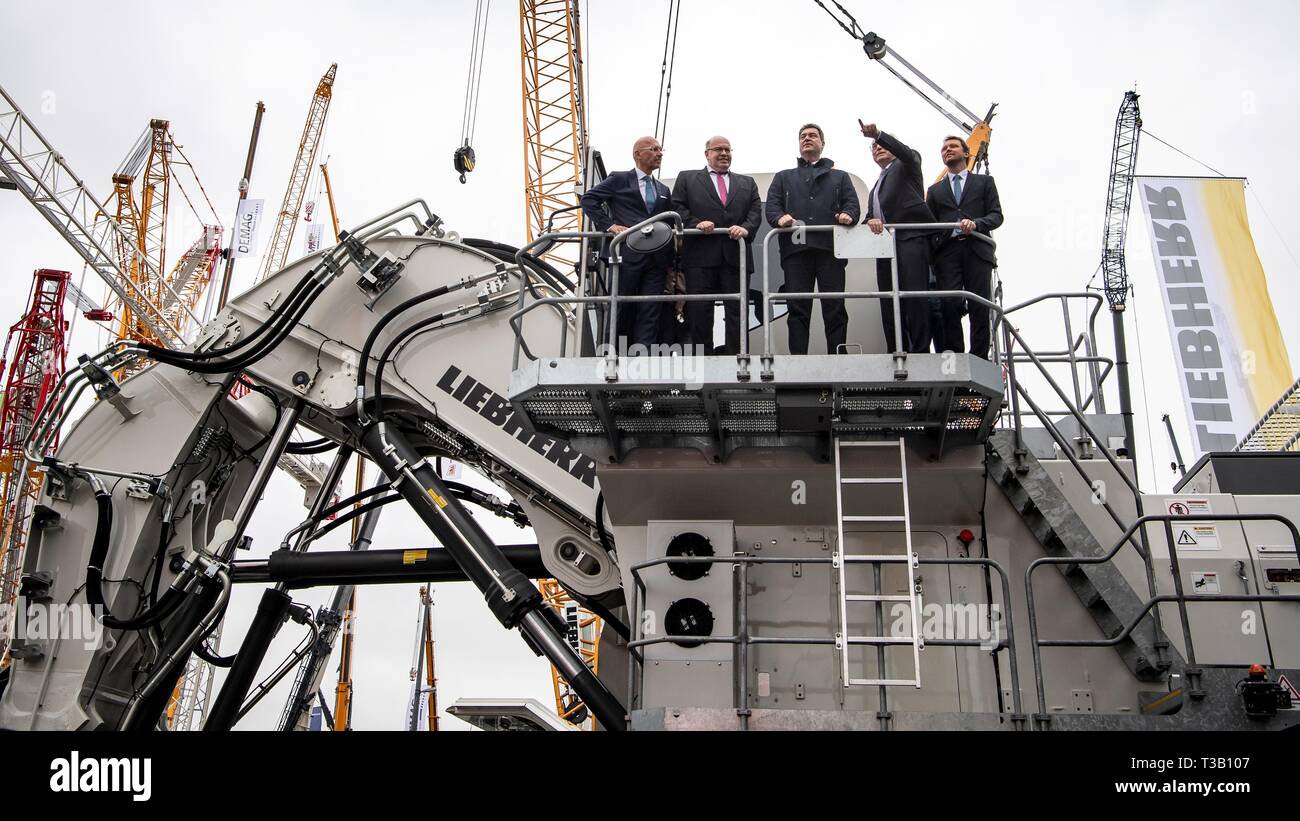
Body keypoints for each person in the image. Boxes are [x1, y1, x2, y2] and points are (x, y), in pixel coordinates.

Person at [765, 124, 860, 355]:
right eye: (803, 136)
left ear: (822, 143)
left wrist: (849, 215)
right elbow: (772, 208)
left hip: (830, 251)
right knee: (797, 308)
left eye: (813, 136)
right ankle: (798, 359)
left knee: (835, 307)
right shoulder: (783, 177)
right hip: (796, 252)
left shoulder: (840, 177)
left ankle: (838, 357)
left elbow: (853, 206)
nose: (807, 139)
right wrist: (780, 218)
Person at [579, 136, 676, 352]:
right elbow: (588, 200)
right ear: (638, 154)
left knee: (650, 308)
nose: (660, 153)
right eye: (654, 149)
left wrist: (670, 262)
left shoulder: (663, 190)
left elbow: (668, 223)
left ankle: (643, 358)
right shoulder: (619, 179)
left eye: (661, 149)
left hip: (656, 258)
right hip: (625, 255)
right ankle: (612, 355)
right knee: (620, 305)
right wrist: (610, 225)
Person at [670, 135, 762, 354]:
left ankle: (738, 360)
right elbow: (677, 208)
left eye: (728, 150)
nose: (724, 153)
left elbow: (755, 210)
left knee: (737, 311)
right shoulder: (687, 178)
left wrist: (746, 228)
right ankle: (703, 360)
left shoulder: (747, 183)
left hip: (735, 257)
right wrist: (695, 223)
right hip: (700, 258)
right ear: (707, 154)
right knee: (700, 311)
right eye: (718, 149)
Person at [925, 135, 1004, 359]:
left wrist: (977, 224)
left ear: (966, 153)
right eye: (943, 148)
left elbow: (997, 215)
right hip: (947, 253)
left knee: (979, 304)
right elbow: (930, 224)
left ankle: (979, 356)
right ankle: (957, 358)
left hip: (977, 249)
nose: (947, 150)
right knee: (949, 303)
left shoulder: (984, 183)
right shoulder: (935, 191)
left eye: (952, 146)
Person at [860, 121, 935, 354]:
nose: (877, 148)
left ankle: (920, 351)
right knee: (888, 301)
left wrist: (879, 135)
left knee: (914, 296)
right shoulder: (876, 187)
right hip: (884, 249)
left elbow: (907, 153)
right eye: (873, 147)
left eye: (881, 145)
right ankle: (896, 350)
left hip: (909, 240)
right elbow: (872, 216)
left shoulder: (907, 165)